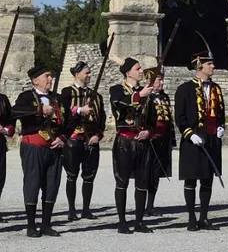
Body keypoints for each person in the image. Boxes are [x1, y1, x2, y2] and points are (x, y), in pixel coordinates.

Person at [12, 66, 71, 237]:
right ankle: (31, 225)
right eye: (46, 76)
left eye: (51, 76)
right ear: (35, 80)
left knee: (52, 185)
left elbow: (70, 122)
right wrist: (39, 110)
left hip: (55, 147)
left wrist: (63, 138)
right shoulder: (26, 97)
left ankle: (46, 224)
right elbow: (14, 112)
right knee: (33, 183)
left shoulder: (58, 99)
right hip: (34, 147)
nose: (50, 79)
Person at [174, 51, 225, 232]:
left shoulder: (217, 88)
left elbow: (221, 113)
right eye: (209, 64)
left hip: (212, 139)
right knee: (191, 180)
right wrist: (189, 133)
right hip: (193, 140)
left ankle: (204, 217)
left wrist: (221, 127)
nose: (213, 67)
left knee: (207, 179)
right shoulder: (185, 89)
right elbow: (179, 117)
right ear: (199, 65)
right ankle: (191, 217)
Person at [109, 58, 155, 234]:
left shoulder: (146, 93)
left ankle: (139, 221)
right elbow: (118, 104)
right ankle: (122, 222)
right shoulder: (117, 90)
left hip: (142, 142)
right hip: (125, 141)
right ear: (128, 72)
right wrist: (138, 96)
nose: (141, 71)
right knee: (122, 181)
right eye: (137, 68)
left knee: (142, 182)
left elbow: (152, 118)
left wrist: (148, 132)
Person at [60, 61, 105, 221]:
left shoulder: (96, 97)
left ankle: (86, 209)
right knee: (72, 175)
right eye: (86, 72)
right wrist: (79, 110)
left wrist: (97, 135)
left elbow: (102, 120)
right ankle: (71, 209)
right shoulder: (67, 93)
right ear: (77, 74)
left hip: (91, 140)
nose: (89, 75)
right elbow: (63, 111)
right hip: (73, 140)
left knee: (89, 176)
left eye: (89, 72)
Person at [142, 67, 173, 218]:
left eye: (161, 79)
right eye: (158, 80)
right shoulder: (145, 99)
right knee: (145, 174)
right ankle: (142, 206)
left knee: (155, 174)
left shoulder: (164, 97)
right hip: (150, 141)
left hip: (162, 140)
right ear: (150, 81)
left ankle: (150, 205)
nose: (161, 82)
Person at [0, 88, 13, 221]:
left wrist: (4, 130)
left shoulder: (3, 99)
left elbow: (11, 121)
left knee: (0, 179)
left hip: (0, 145)